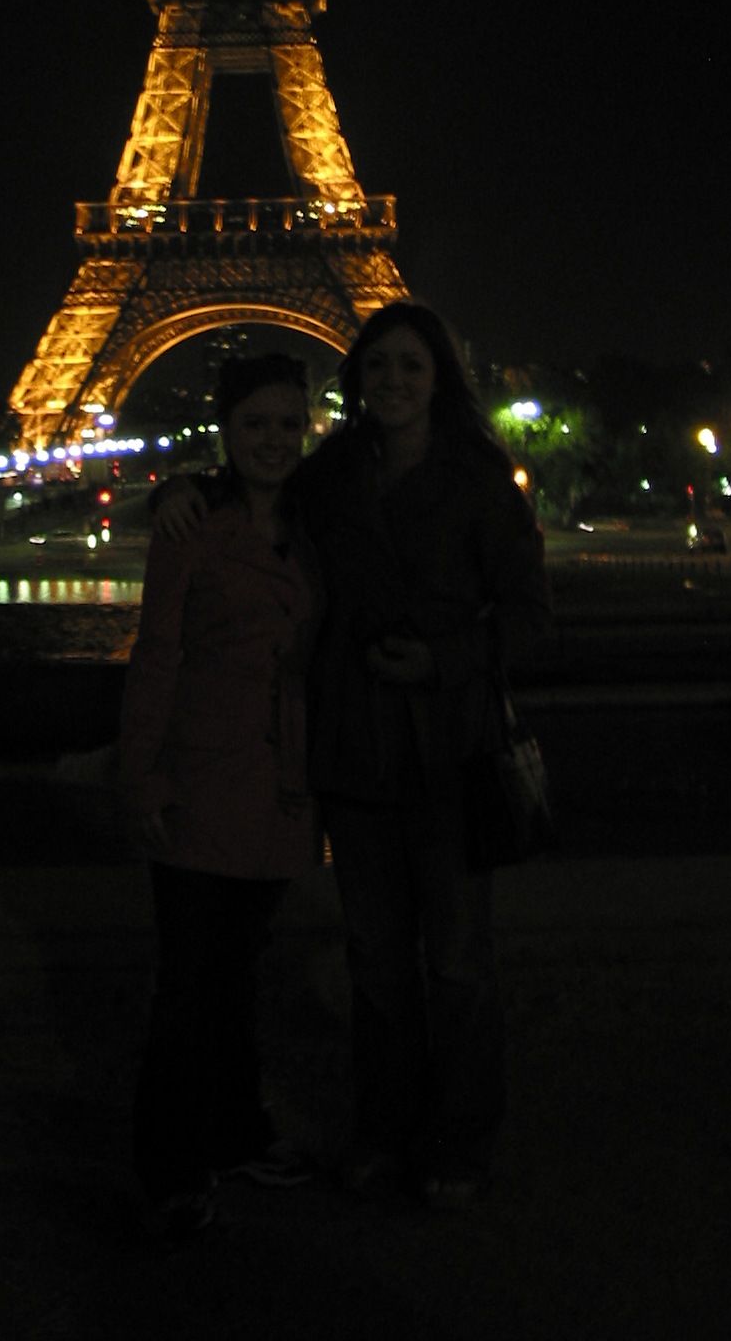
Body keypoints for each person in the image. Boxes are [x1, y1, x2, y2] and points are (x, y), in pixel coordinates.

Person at [156, 301, 551, 1208]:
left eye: (412, 367)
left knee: (455, 961)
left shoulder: (481, 481)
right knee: (377, 960)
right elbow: (255, 482)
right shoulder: (330, 475)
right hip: (361, 753)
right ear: (359, 380)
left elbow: (530, 614)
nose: (395, 383)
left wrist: (445, 659)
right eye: (379, 369)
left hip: (449, 750)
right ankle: (383, 1130)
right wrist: (177, 488)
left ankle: (456, 1141)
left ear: (438, 377)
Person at [120, 351, 324, 1239]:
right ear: (226, 433)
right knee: (190, 984)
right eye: (255, 424)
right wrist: (142, 773)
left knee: (234, 974)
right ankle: (173, 1162)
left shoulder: (325, 525)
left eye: (289, 423)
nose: (273, 440)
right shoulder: (192, 524)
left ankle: (235, 1131)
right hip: (204, 778)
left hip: (282, 783)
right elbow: (155, 654)